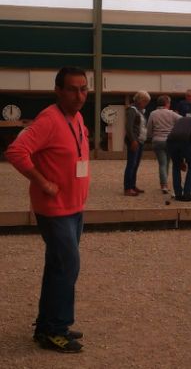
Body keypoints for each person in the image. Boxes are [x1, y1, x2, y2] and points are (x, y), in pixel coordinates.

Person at [5, 67, 90, 353]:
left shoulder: (77, 117)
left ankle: (47, 325)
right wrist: (42, 182)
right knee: (67, 267)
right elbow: (15, 152)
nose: (79, 95)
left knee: (58, 266)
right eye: (72, 89)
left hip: (74, 207)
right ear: (58, 90)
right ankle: (55, 330)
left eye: (83, 89)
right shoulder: (49, 119)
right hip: (55, 210)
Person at [146, 95, 181, 194]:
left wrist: (151, 136)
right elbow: (183, 120)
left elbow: (149, 129)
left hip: (157, 141)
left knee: (162, 163)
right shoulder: (172, 114)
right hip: (170, 141)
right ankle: (165, 184)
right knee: (167, 162)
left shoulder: (153, 113)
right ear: (167, 103)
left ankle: (164, 185)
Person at [166, 116, 191, 201]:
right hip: (185, 140)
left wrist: (181, 161)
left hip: (170, 140)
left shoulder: (181, 120)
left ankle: (178, 194)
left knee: (176, 166)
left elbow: (179, 136)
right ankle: (187, 194)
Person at [123, 90, 150, 196]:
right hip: (134, 141)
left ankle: (132, 185)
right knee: (131, 164)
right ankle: (128, 188)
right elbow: (128, 127)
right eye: (145, 101)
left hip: (140, 141)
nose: (146, 104)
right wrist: (133, 140)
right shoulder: (132, 110)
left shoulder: (140, 111)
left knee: (135, 164)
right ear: (140, 100)